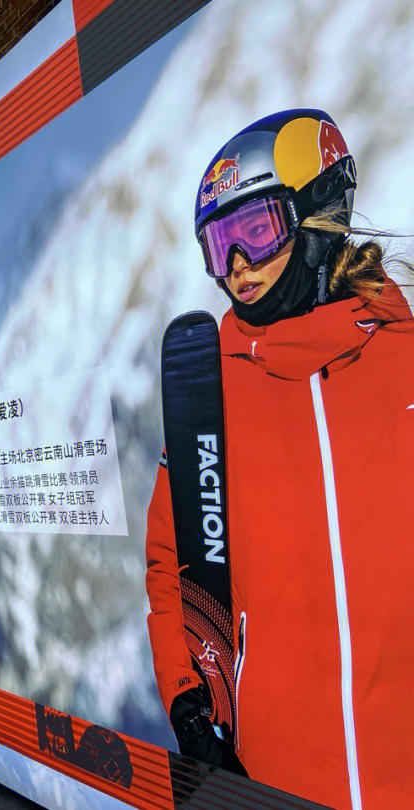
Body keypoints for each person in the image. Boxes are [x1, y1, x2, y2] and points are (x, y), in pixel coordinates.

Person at [146, 110, 414, 809]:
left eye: (255, 231)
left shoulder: (406, 368)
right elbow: (171, 567)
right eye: (218, 245)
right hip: (274, 775)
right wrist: (185, 697)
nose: (236, 268)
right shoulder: (208, 398)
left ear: (320, 213)